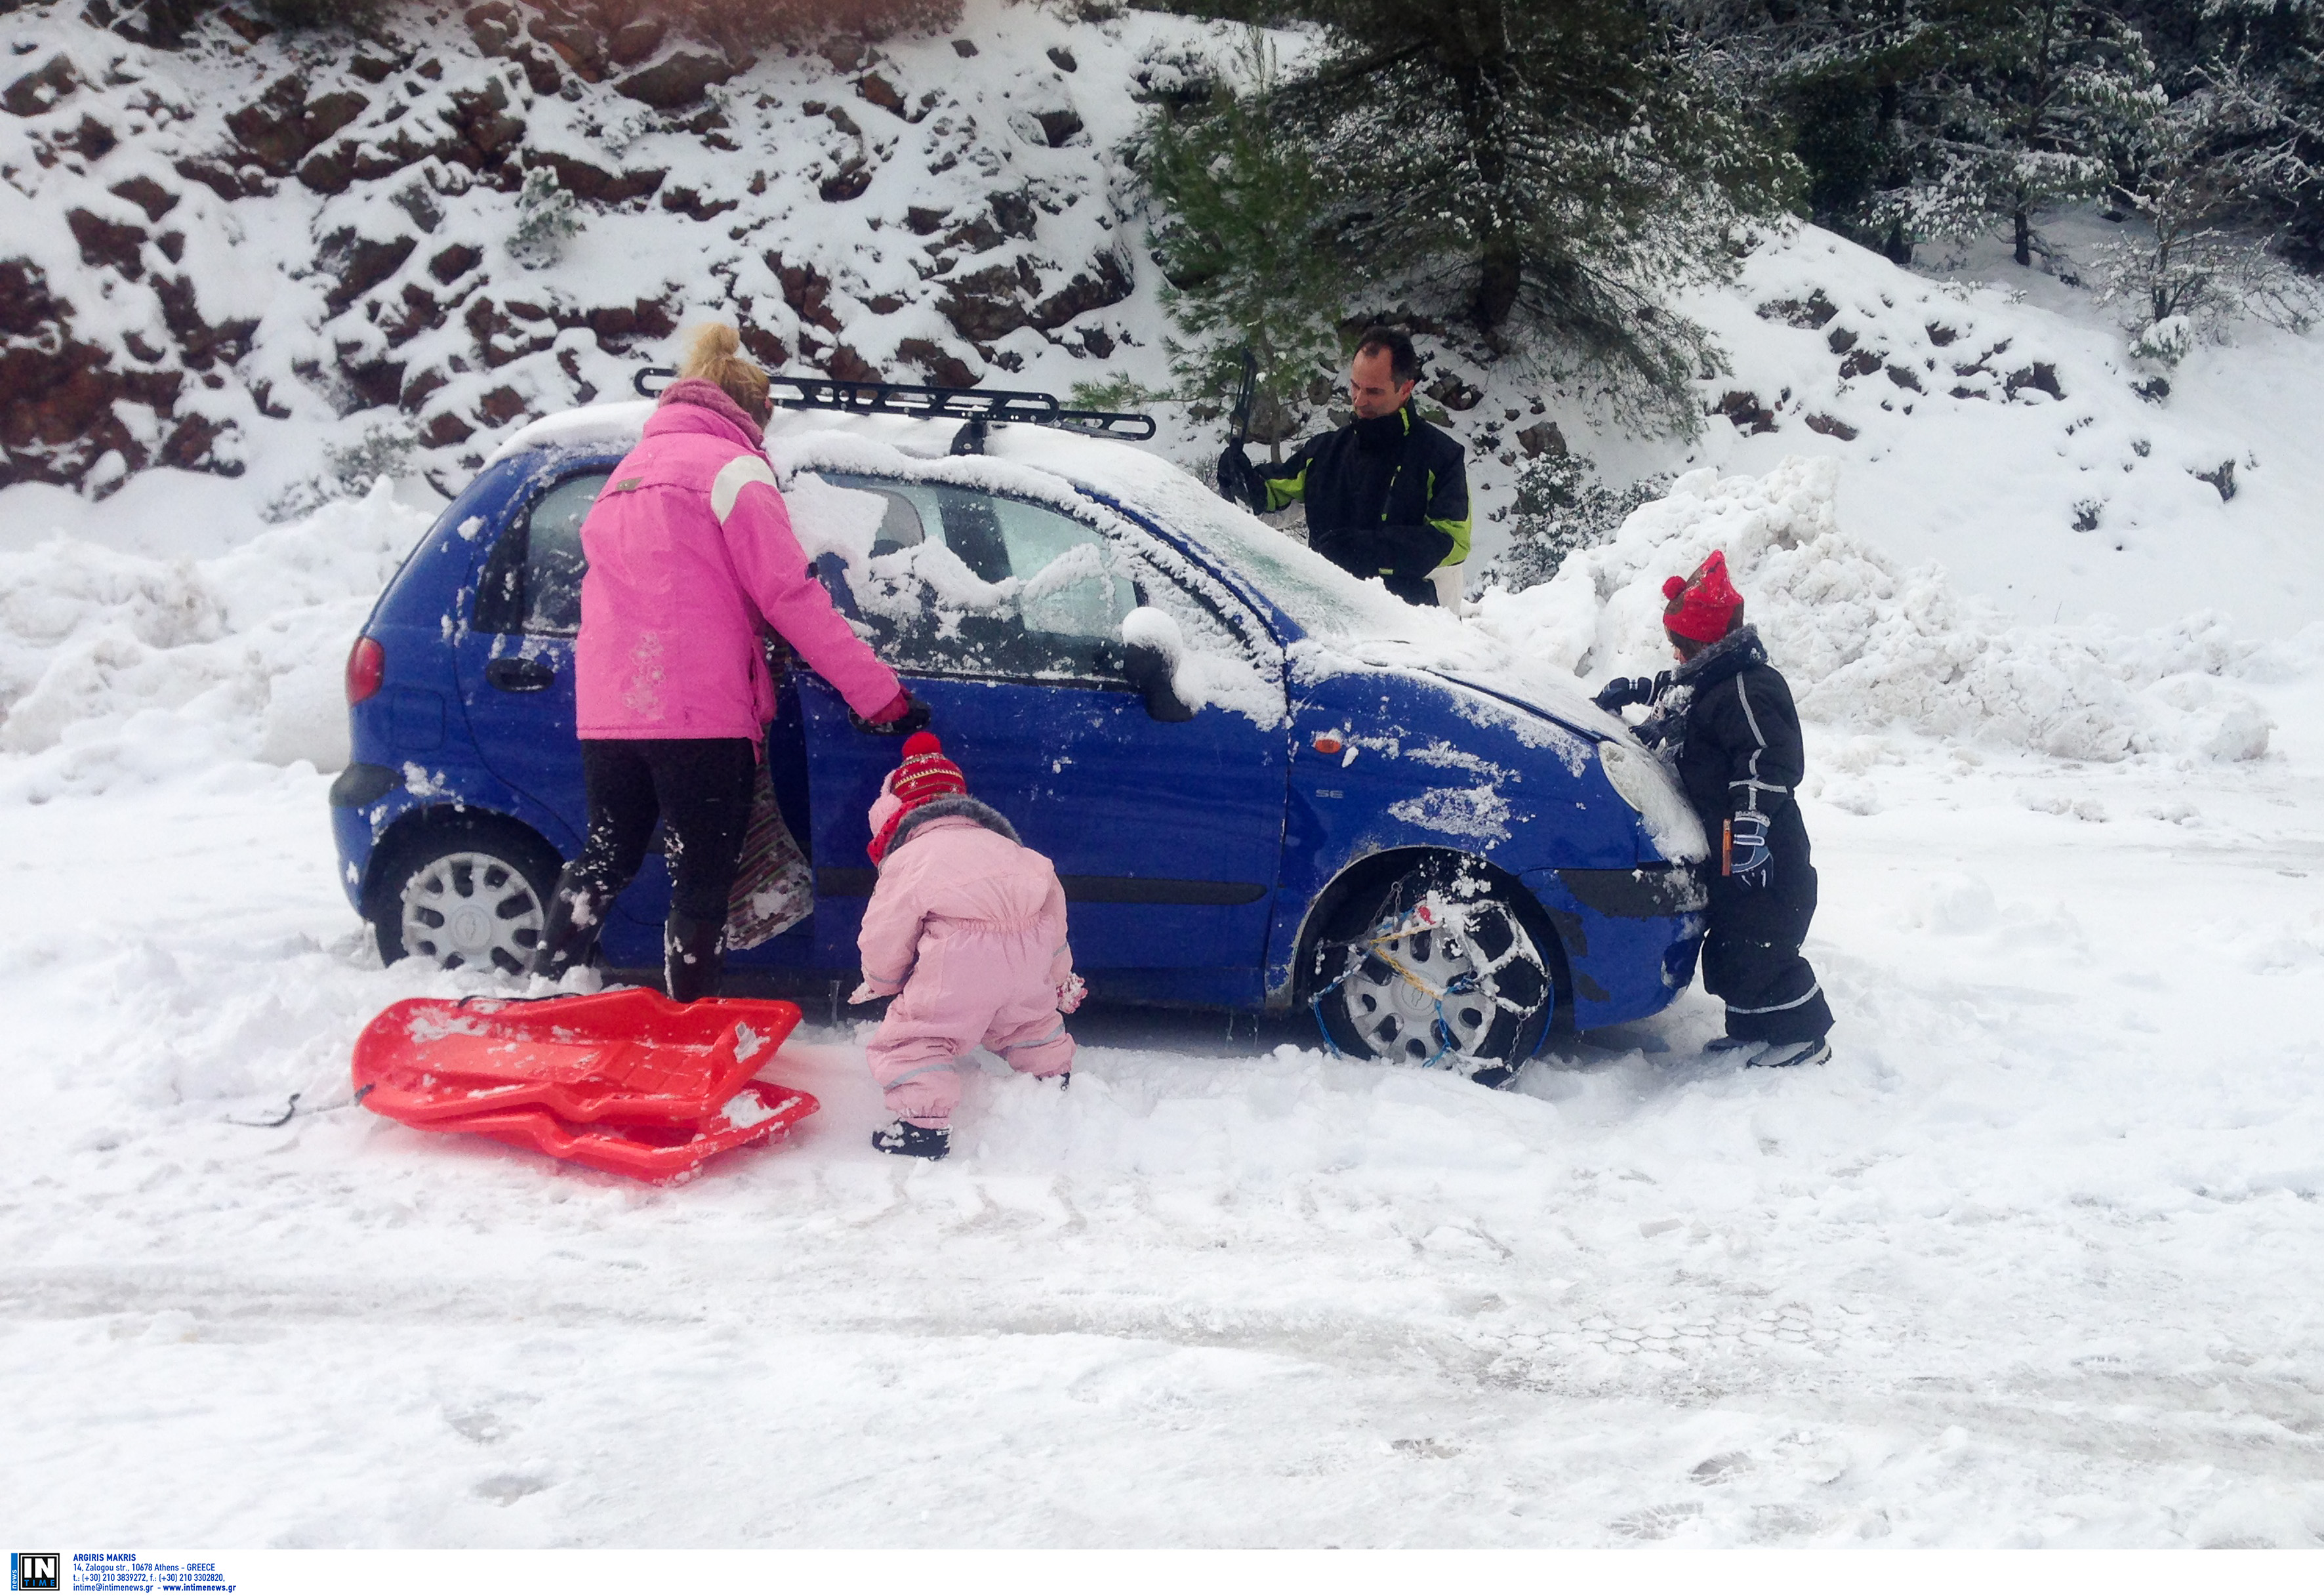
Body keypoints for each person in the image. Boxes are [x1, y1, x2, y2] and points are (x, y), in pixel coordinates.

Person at [529, 324, 926, 1000]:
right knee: (701, 879)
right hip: (698, 713)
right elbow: (789, 595)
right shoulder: (733, 470)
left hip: (611, 711)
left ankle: (541, 985)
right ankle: (690, 1021)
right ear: (752, 412)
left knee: (607, 856)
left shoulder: (625, 475)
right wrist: (878, 695)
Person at [1594, 551, 1835, 1067]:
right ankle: (1754, 1029)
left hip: (1765, 850)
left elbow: (1767, 759)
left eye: (1679, 646)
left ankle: (1803, 1036)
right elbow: (1677, 693)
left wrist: (1750, 822)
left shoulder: (1749, 688)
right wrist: (1636, 690)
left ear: (1703, 643)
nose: (1674, 656)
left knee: (1761, 945)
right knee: (1729, 945)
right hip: (1729, 846)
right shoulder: (1710, 678)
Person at [848, 733, 1082, 1161]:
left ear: (897, 813)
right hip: (1027, 958)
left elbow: (886, 930)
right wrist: (1057, 975)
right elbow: (1054, 922)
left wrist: (883, 980)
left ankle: (922, 1127)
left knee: (918, 1036)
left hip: (959, 964)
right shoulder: (1015, 850)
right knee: (1027, 1022)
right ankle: (1051, 1078)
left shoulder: (911, 858)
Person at [1216, 327, 1471, 607]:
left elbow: (1453, 542)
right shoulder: (1325, 452)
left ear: (1406, 389)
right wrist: (1244, 480)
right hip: (1329, 618)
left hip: (1413, 629)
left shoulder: (1442, 457)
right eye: (1355, 386)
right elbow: (1273, 499)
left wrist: (1368, 553)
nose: (1360, 401)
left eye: (1373, 391)